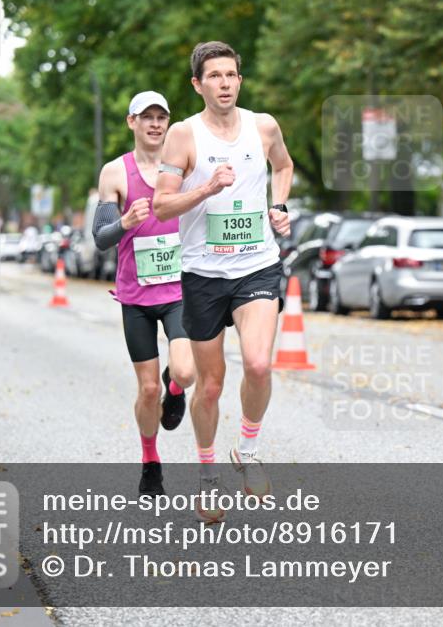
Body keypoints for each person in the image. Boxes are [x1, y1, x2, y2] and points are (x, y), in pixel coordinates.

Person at [153, 41, 292, 523]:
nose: (225, 83)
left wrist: (279, 206)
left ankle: (247, 452)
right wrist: (208, 187)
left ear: (240, 80)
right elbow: (161, 205)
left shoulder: (263, 126)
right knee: (210, 386)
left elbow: (285, 166)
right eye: (214, 76)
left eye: (231, 75)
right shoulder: (182, 136)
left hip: (257, 264)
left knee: (257, 364)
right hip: (203, 273)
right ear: (198, 84)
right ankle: (208, 477)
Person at [93, 91, 196, 496]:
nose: (155, 124)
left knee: (185, 371)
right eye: (146, 117)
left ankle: (176, 390)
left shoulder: (185, 169)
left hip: (179, 289)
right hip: (135, 296)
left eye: (161, 117)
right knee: (146, 389)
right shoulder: (115, 173)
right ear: (131, 122)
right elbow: (100, 239)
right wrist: (124, 222)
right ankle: (150, 460)